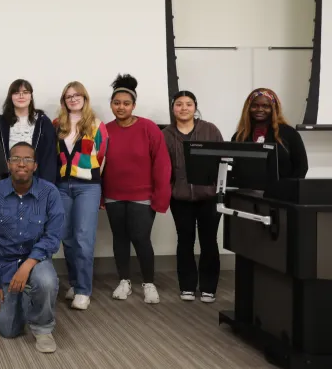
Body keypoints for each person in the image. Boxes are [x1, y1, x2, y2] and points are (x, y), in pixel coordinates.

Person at [0, 142, 64, 353]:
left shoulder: (49, 193)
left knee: (46, 281)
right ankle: (26, 297)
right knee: (7, 330)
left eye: (28, 159)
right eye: (16, 159)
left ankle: (43, 328)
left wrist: (27, 266)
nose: (22, 164)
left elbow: (53, 237)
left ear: (35, 166)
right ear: (8, 164)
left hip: (36, 261)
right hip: (5, 263)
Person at [102, 74, 171, 305]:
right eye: (116, 103)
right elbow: (98, 164)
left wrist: (161, 197)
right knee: (120, 238)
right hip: (113, 194)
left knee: (141, 238)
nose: (120, 107)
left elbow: (162, 164)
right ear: (111, 105)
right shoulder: (105, 130)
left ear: (133, 105)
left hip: (142, 196)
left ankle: (149, 283)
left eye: (126, 103)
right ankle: (124, 281)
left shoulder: (148, 128)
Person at [163, 91, 224, 303]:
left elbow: (222, 160)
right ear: (173, 108)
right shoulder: (166, 134)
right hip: (180, 198)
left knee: (209, 241)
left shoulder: (210, 130)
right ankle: (187, 286)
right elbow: (163, 167)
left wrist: (219, 189)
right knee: (185, 240)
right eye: (179, 104)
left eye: (188, 104)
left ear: (195, 107)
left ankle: (208, 287)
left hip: (209, 196)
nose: (184, 108)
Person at [53, 82, 108, 310]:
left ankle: (84, 290)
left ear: (85, 98)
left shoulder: (97, 125)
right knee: (67, 237)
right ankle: (75, 284)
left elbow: (102, 156)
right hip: (62, 186)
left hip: (88, 187)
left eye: (77, 95)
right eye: (68, 96)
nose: (73, 99)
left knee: (83, 238)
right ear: (64, 100)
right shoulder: (57, 125)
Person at [0, 79, 56, 185]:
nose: (21, 96)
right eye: (16, 93)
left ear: (31, 96)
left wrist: (45, 185)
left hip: (37, 180)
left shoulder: (43, 122)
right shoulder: (0, 123)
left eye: (25, 92)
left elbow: (49, 156)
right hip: (7, 181)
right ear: (11, 97)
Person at [232, 88, 308, 179]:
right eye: (254, 106)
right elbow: (235, 169)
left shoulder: (289, 133)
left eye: (265, 106)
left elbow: (301, 167)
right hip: (246, 188)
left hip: (283, 188)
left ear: (273, 109)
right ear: (248, 108)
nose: (259, 109)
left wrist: (288, 187)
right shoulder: (239, 136)